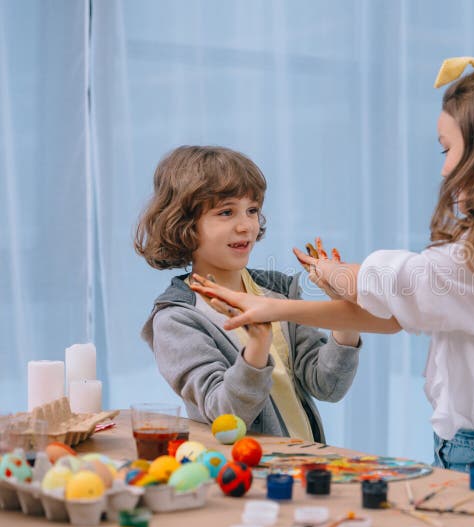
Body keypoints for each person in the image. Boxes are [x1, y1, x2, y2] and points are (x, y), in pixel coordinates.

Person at [191, 57, 474, 492]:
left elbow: (397, 284)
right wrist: (303, 299)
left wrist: (311, 287)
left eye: (448, 149)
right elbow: (394, 315)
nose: (444, 168)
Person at [135, 145, 362, 443]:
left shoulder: (278, 293)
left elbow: (327, 385)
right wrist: (256, 347)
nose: (246, 226)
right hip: (246, 476)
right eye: (226, 212)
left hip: (304, 466)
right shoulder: (177, 319)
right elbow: (224, 416)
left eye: (252, 210)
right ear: (186, 225)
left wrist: (345, 309)